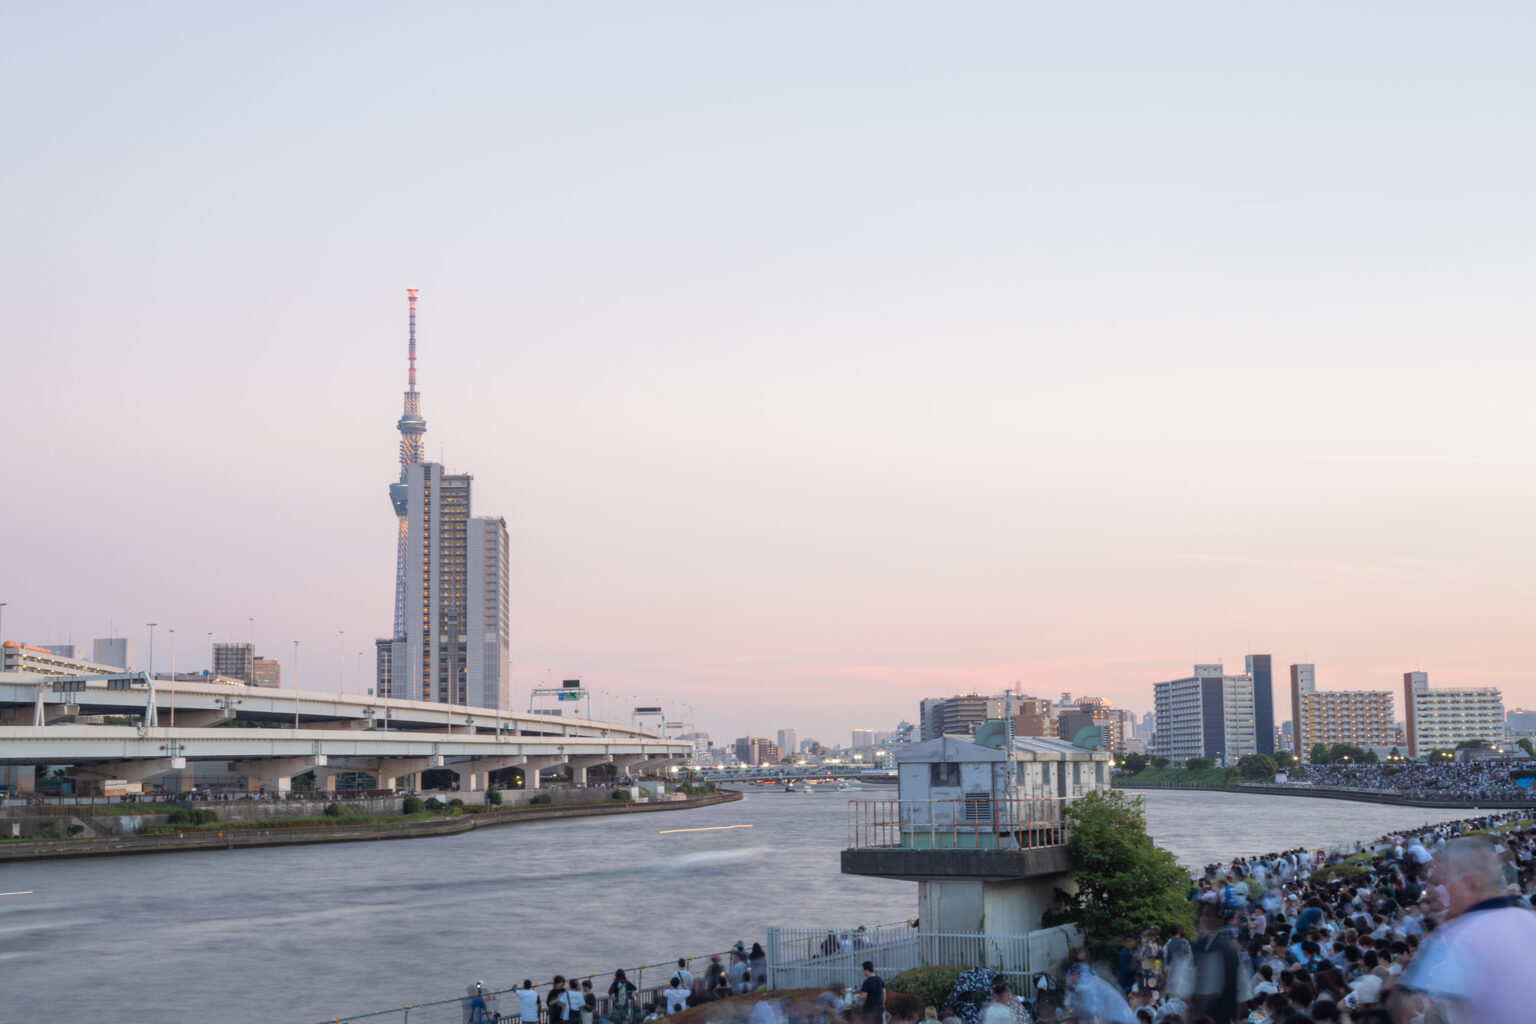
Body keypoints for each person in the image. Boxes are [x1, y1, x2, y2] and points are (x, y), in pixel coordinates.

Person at [1391, 835, 1536, 1023]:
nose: (1446, 889)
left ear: (1471, 885)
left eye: (1450, 881)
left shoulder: (1459, 936)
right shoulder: (1528, 919)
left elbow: (1401, 1003)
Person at [1187, 902, 1244, 1024]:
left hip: (1217, 1014)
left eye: (1207, 915)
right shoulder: (1196, 945)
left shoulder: (1226, 948)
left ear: (1217, 919)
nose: (1203, 919)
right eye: (1201, 915)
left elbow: (1231, 986)